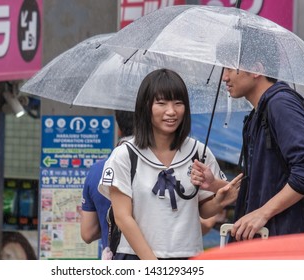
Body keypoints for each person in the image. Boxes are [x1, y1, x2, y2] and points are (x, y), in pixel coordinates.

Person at [191, 30, 304, 240]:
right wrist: (216, 184)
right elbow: (262, 185)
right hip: (260, 240)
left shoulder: (281, 104)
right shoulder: (258, 113)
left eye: (229, 67)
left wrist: (263, 213)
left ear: (256, 70)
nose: (224, 77)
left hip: (283, 242)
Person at [98, 68, 244, 260]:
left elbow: (203, 209)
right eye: (161, 103)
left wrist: (219, 199)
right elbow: (123, 218)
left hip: (189, 256)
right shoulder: (125, 155)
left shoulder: (199, 152)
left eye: (178, 103)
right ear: (145, 107)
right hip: (137, 258)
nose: (171, 111)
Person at [80, 110, 134, 259]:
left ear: (118, 129)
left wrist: (107, 227)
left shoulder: (97, 170)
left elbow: (87, 233)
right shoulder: (160, 169)